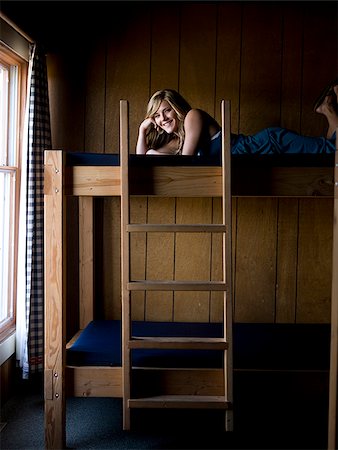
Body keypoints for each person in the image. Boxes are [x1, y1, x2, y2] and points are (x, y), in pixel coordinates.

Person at [135, 86, 337, 158]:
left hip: (269, 143)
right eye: (156, 116)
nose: (162, 119)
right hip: (262, 148)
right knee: (327, 152)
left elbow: (184, 163)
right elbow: (141, 161)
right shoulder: (177, 140)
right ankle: (327, 110)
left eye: (166, 111)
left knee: (332, 152)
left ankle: (330, 107)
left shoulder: (192, 116)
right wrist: (142, 131)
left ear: (177, 107)